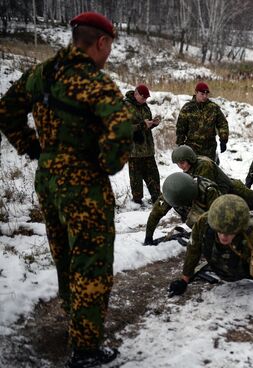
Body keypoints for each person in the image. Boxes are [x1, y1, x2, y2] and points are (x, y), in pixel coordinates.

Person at [0, 12, 131, 366]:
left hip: (49, 179)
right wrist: (106, 164)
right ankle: (85, 348)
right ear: (101, 42)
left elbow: (6, 110)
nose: (109, 54)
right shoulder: (95, 82)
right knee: (91, 262)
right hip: (84, 186)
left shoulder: (43, 73)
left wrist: (34, 148)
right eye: (110, 47)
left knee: (65, 256)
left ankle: (76, 320)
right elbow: (121, 130)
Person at [168, 195, 253, 322]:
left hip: (246, 267)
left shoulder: (251, 234)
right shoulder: (204, 222)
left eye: (229, 233)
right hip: (222, 266)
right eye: (220, 231)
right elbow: (193, 249)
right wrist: (184, 279)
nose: (224, 236)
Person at [176, 81, 229, 164]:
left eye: (206, 94)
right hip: (192, 147)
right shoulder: (187, 108)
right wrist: (180, 143)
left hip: (209, 148)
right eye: (202, 94)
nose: (205, 96)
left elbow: (222, 124)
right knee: (192, 172)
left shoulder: (213, 108)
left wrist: (223, 139)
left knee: (208, 171)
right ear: (196, 92)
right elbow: (180, 127)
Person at [125, 84, 161, 204]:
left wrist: (153, 124)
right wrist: (141, 125)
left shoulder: (145, 107)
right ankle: (136, 204)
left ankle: (157, 199)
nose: (145, 100)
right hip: (134, 151)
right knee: (136, 182)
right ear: (136, 94)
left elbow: (146, 126)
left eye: (146, 98)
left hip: (148, 150)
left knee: (154, 177)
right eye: (143, 97)